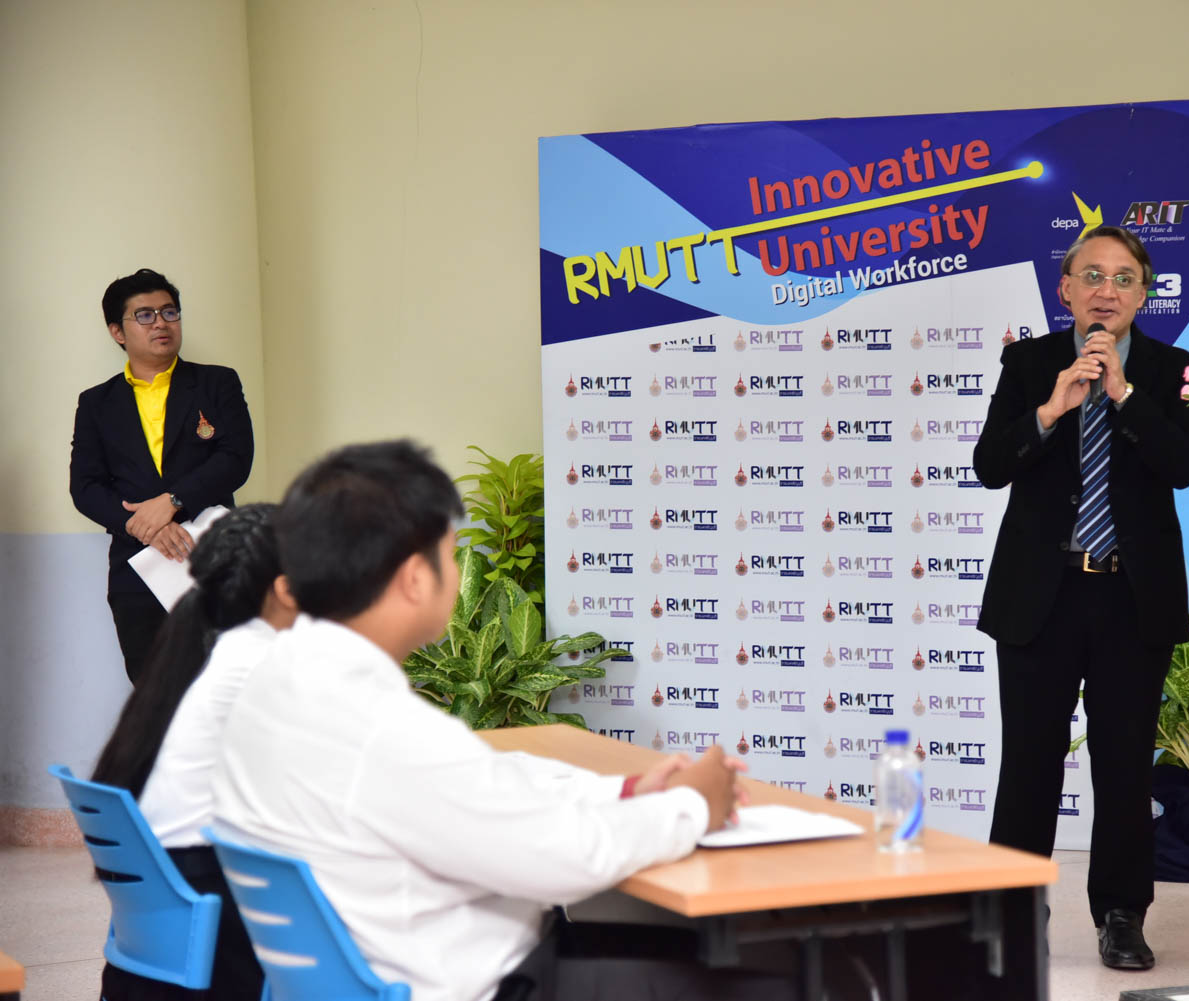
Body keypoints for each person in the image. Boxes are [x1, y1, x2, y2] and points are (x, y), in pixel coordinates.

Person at [209, 441, 764, 1001]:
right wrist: (695, 805)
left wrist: (623, 791)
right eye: (452, 554)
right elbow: (565, 855)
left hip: (377, 974)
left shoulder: (274, 684)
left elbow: (484, 789)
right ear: (415, 578)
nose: (457, 573)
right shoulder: (380, 728)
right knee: (777, 972)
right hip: (487, 985)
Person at [972, 226, 1189, 970]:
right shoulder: (1028, 362)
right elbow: (990, 465)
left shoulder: (1174, 370)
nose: (1108, 290)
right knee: (1029, 765)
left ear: (1143, 294)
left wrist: (1123, 396)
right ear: (1066, 289)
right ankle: (1013, 915)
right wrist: (1051, 409)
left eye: (1125, 277)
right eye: (1093, 275)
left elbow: (1184, 467)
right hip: (1040, 594)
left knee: (1124, 765)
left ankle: (1122, 915)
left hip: (1130, 598)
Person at [92, 503, 297, 1000]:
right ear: (286, 589)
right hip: (218, 947)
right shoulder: (265, 665)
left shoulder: (207, 657)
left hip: (163, 950)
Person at [70, 268, 254, 683]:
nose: (161, 323)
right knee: (154, 692)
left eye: (170, 312)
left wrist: (172, 502)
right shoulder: (97, 403)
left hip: (214, 559)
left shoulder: (217, 382)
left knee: (227, 688)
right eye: (145, 315)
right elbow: (85, 487)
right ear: (118, 331)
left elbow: (235, 459)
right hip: (138, 568)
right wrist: (145, 525)